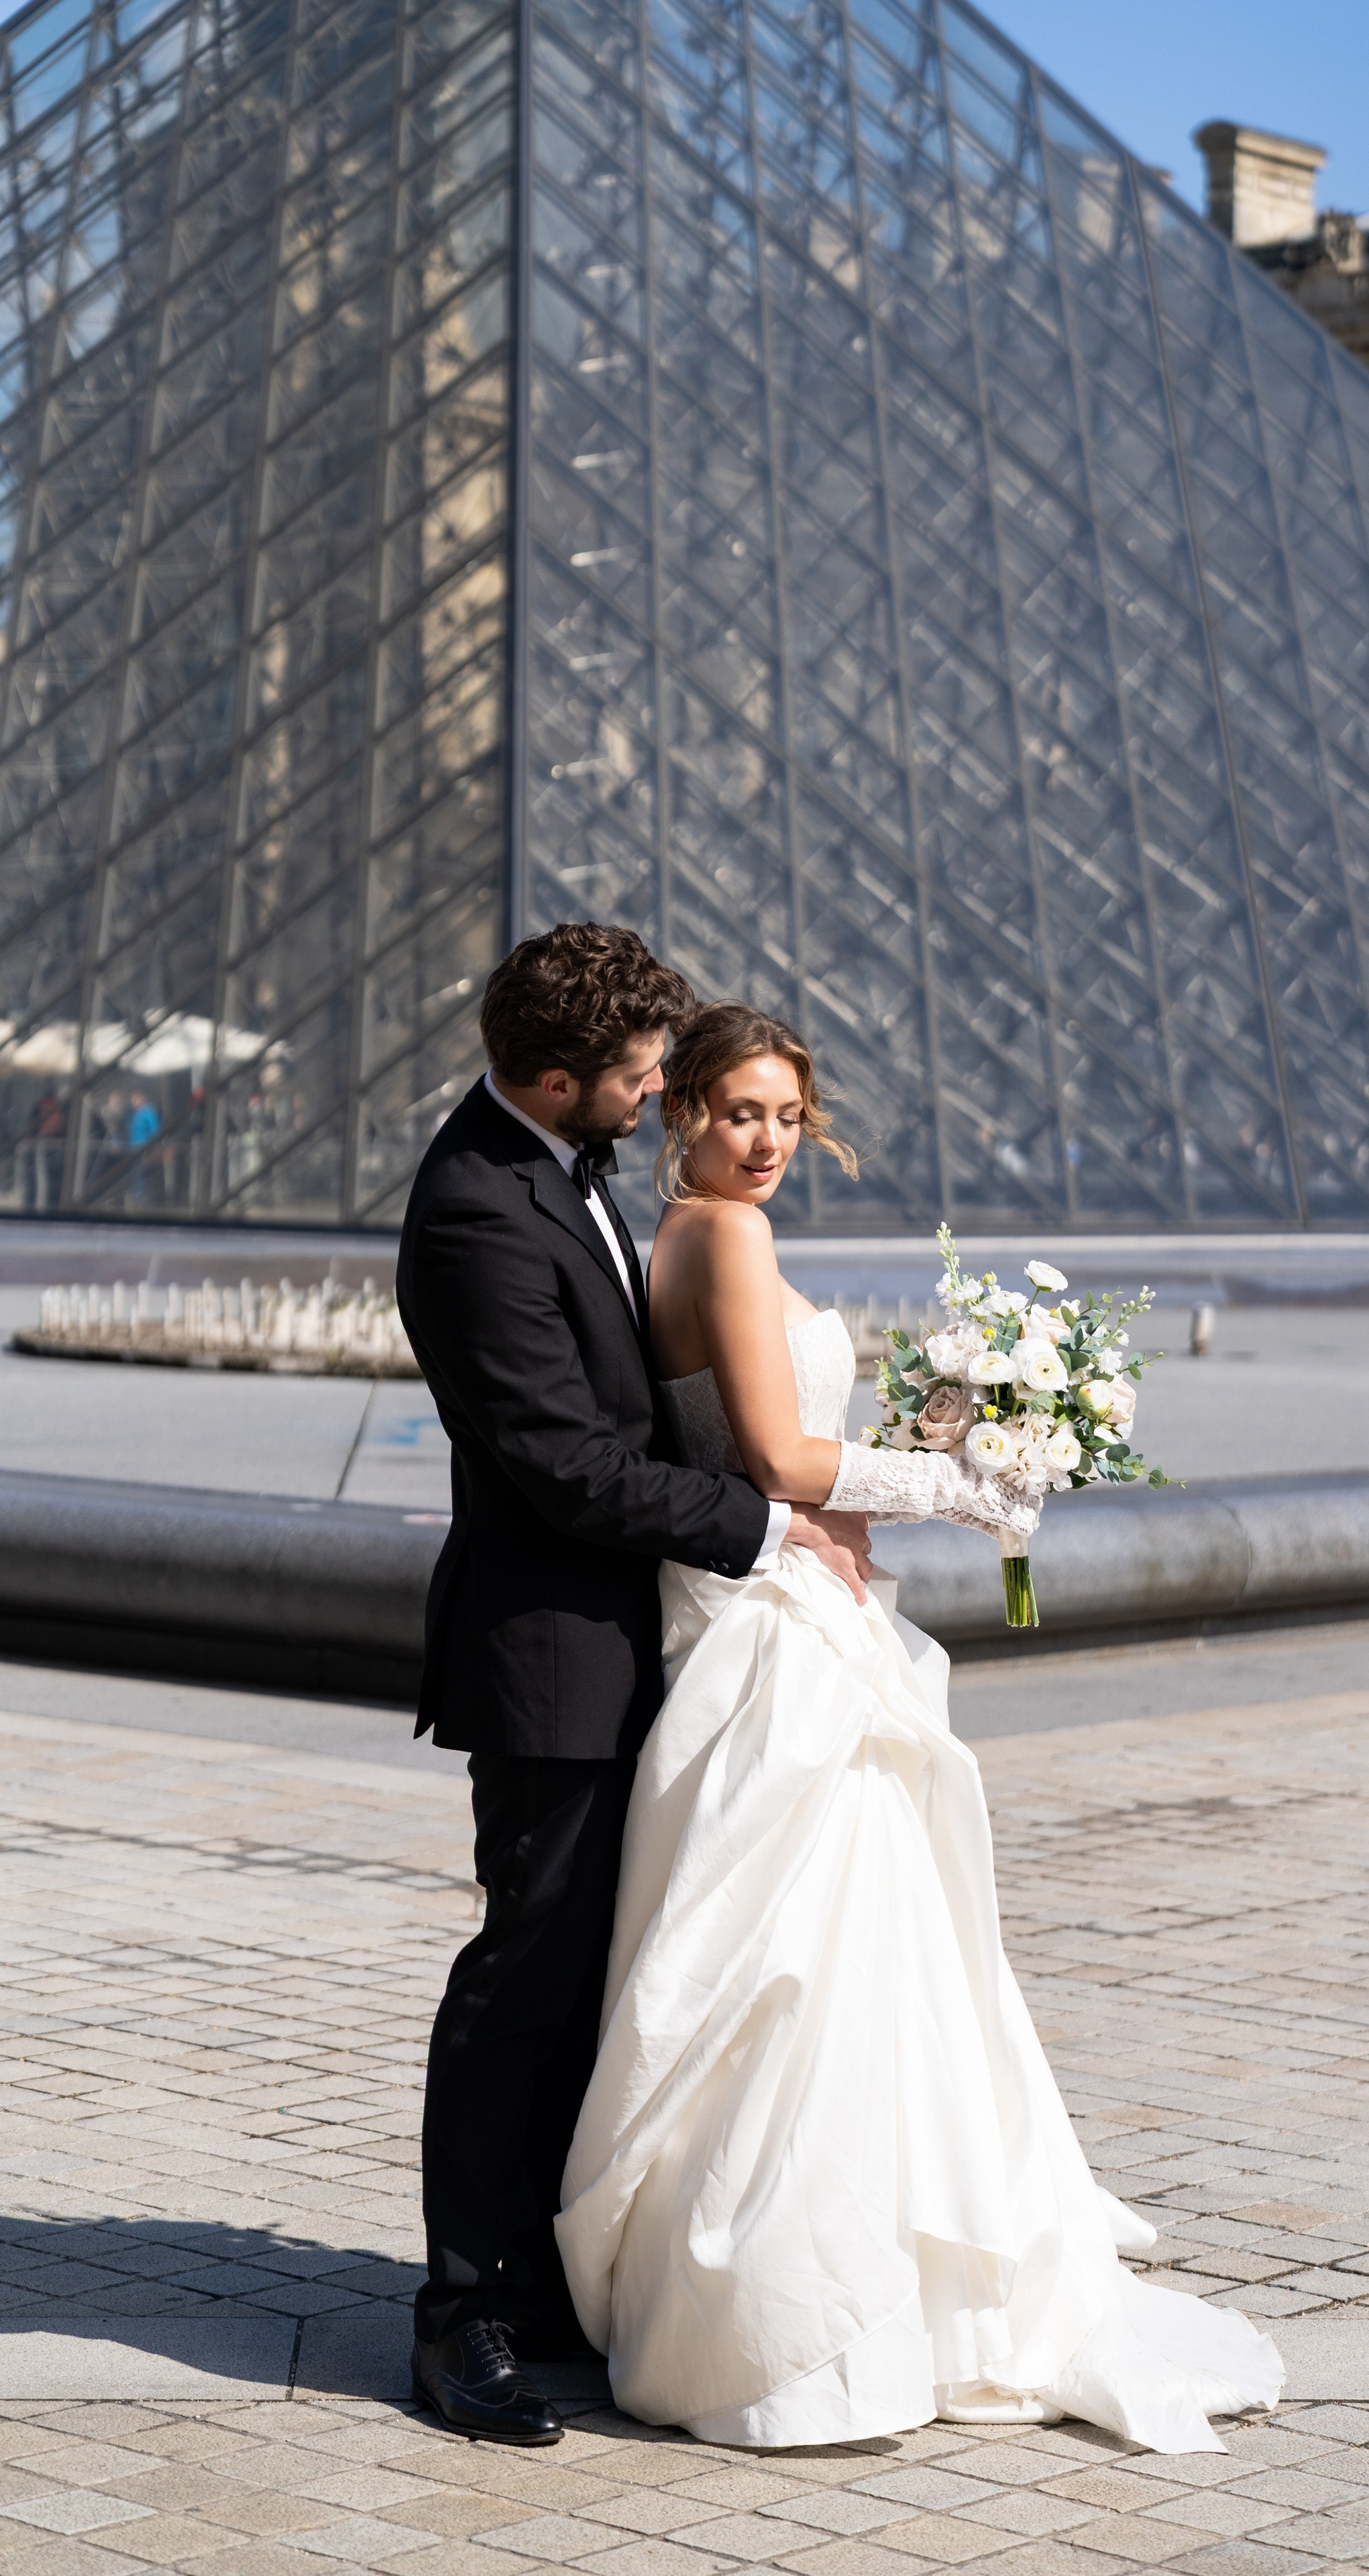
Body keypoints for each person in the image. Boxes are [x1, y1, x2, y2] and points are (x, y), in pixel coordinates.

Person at [554, 1003, 1285, 2450]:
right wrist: (961, 1486)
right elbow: (771, 1454)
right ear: (685, 1111)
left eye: (785, 1117)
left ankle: (774, 2304)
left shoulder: (682, 1238)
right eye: (737, 1111)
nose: (764, 1141)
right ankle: (854, 2301)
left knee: (798, 1965)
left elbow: (752, 1446)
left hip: (764, 1614)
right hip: (780, 1643)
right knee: (831, 1960)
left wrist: (942, 1432)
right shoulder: (726, 1236)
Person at [396, 925, 884, 2445]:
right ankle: (461, 2315)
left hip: (643, 1640)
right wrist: (767, 1521)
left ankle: (543, 2277)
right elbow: (558, 1462)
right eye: (640, 1075)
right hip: (551, 1653)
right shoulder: (481, 1206)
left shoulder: (565, 1166)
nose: (661, 1091)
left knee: (601, 1982)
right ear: (559, 1077)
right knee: (523, 1978)